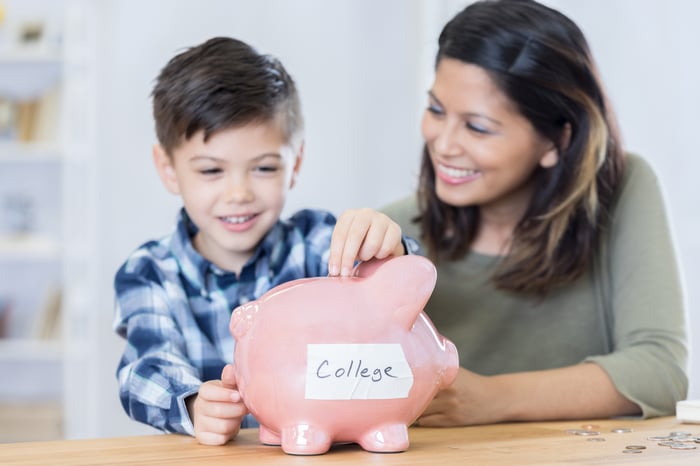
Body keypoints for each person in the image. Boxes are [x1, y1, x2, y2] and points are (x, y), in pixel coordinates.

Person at [382, 0, 688, 426]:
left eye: (478, 127)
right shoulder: (394, 240)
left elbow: (660, 370)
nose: (443, 143)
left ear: (555, 142)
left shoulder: (623, 188)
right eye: (436, 110)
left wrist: (491, 398)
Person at [113, 37, 415, 446]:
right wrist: (192, 403)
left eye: (264, 168)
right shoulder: (149, 272)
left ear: (296, 163)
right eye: (211, 171)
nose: (239, 193)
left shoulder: (318, 245)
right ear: (168, 169)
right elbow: (144, 367)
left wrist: (386, 251)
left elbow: (400, 298)